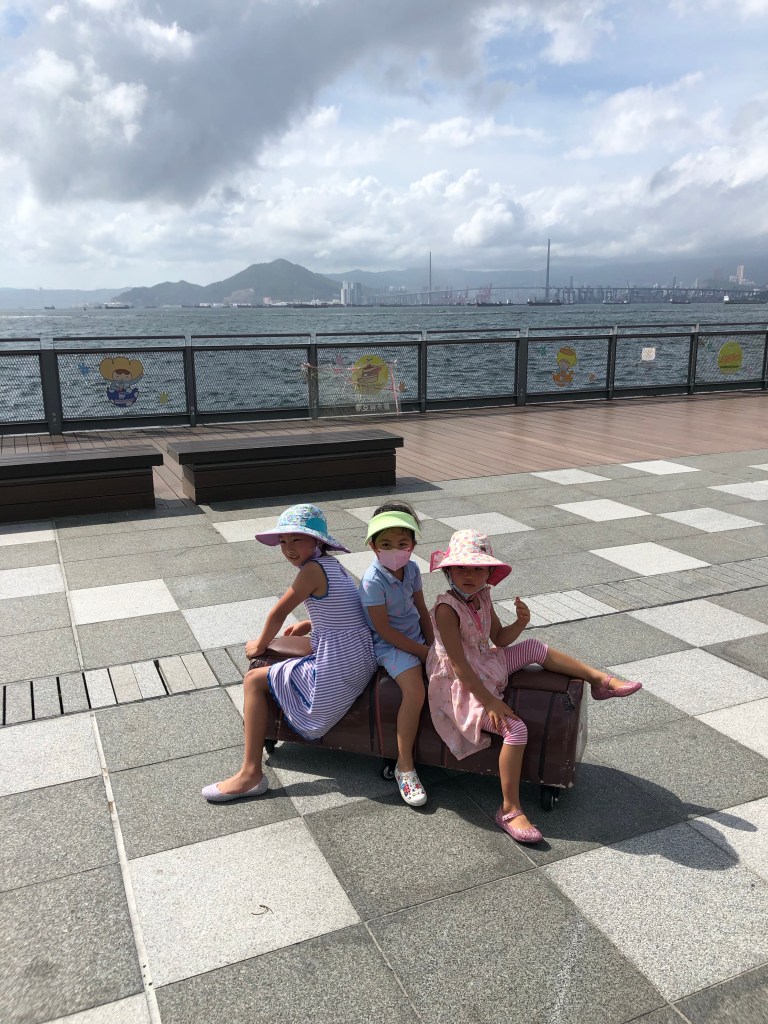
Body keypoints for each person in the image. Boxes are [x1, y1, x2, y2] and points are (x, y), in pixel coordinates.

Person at [427, 528, 642, 843]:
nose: (469, 575)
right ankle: (509, 809)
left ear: (488, 573)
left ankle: (599, 680)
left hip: (484, 662)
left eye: (477, 568)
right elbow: (459, 666)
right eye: (461, 568)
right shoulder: (447, 609)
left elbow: (499, 639)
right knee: (516, 729)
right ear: (449, 572)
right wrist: (490, 701)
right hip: (460, 684)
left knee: (534, 647)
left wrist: (520, 623)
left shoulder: (481, 597)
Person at [202, 503, 376, 802]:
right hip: (357, 653)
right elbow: (346, 609)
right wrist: (311, 623)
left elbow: (278, 613)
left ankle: (250, 774)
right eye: (283, 541)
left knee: (254, 680)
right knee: (278, 668)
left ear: (317, 541)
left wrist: (259, 645)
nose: (289, 548)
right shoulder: (331, 565)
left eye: (297, 539)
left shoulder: (311, 570)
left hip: (341, 662)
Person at [359, 503, 434, 807]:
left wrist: (435, 646)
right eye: (386, 544)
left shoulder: (412, 569)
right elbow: (385, 631)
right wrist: (424, 653)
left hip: (416, 636)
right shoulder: (372, 581)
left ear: (413, 545)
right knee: (415, 692)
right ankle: (405, 766)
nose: (395, 550)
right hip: (389, 646)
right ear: (373, 546)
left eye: (403, 543)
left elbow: (422, 610)